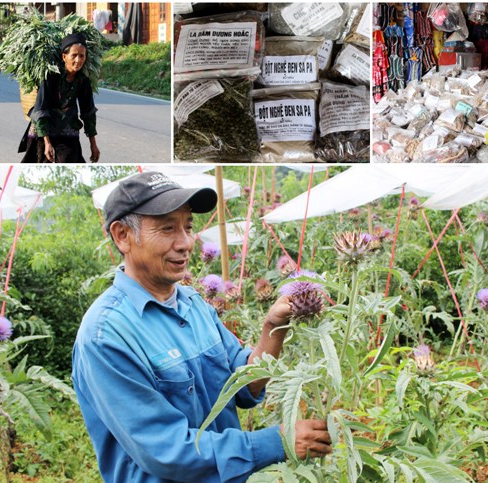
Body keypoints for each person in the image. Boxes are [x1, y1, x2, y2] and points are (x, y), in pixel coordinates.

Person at [72, 172, 332, 482]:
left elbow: (246, 386)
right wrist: (277, 441)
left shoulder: (192, 304)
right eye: (167, 228)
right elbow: (166, 451)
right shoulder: (106, 335)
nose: (185, 242)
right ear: (122, 236)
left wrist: (273, 327)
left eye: (188, 227)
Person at [20, 33, 100, 163]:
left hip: (68, 127)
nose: (78, 60)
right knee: (40, 164)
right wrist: (47, 143)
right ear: (64, 56)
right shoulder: (50, 77)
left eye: (82, 56)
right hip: (44, 129)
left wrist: (93, 144)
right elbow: (41, 109)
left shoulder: (83, 81)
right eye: (74, 55)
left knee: (70, 162)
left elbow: (88, 112)